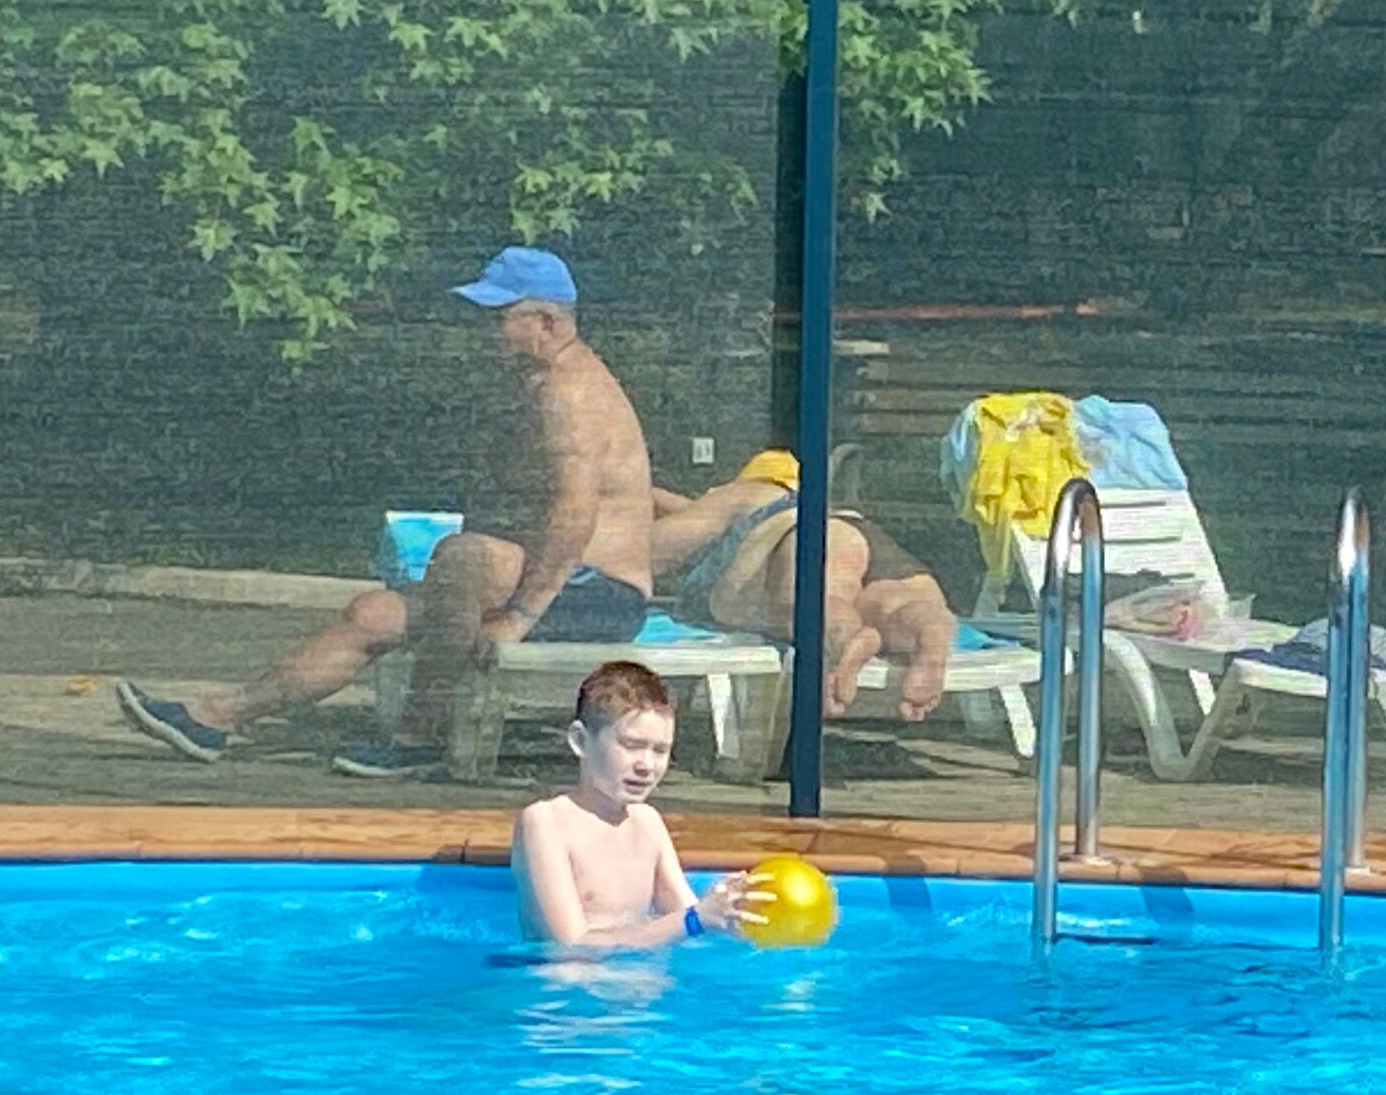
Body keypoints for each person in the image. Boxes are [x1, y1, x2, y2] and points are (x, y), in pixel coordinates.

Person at [112, 246, 657, 779]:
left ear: (546, 321)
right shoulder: (533, 385)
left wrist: (518, 616)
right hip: (548, 580)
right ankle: (213, 718)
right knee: (371, 614)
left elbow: (575, 514)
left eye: (496, 318)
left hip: (599, 594)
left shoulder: (571, 395)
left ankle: (420, 736)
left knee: (463, 557)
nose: (482, 332)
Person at [652, 455, 960, 718]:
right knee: (895, 604)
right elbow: (681, 510)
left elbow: (652, 551)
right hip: (856, 533)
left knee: (820, 603)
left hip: (805, 533)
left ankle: (845, 637)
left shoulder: (747, 493)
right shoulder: (811, 503)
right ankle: (928, 628)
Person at [509, 659, 747, 950]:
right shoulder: (546, 823)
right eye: (631, 745)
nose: (646, 765)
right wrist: (695, 919)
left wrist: (725, 907)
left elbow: (689, 917)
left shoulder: (647, 823)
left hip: (640, 975)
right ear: (580, 741)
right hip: (566, 977)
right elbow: (570, 947)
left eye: (660, 750)